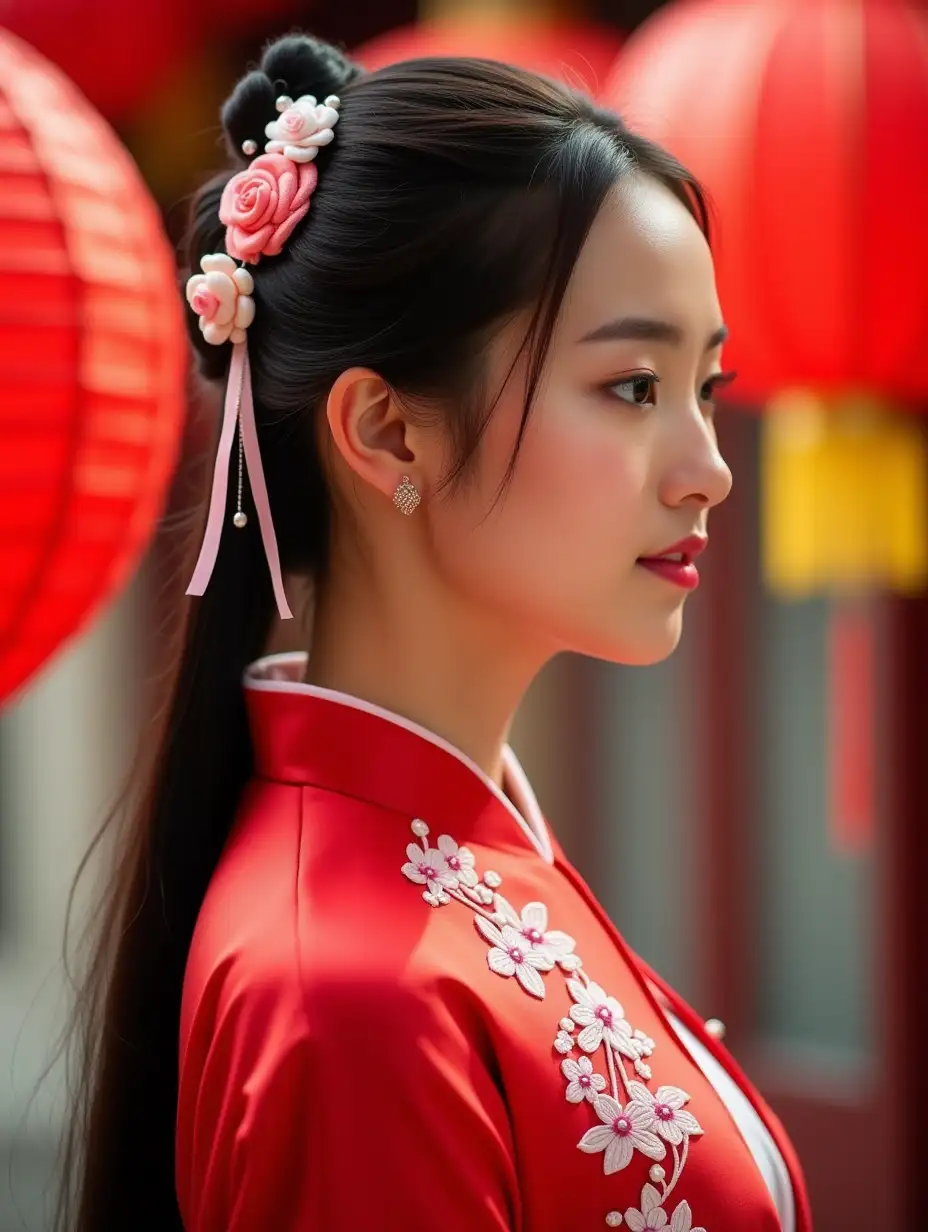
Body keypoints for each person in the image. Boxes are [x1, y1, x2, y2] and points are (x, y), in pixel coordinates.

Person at [58, 31, 813, 1232]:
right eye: (631, 386)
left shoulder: (458, 866)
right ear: (389, 433)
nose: (709, 471)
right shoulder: (350, 993)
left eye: (704, 390)